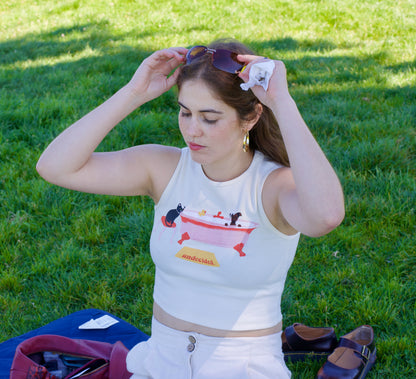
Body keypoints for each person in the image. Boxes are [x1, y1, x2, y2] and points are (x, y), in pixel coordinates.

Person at [36, 39, 345, 378]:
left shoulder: (272, 186)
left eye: (210, 118)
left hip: (242, 367)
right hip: (159, 363)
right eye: (185, 112)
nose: (192, 130)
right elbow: (55, 167)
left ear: (251, 117)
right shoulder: (164, 168)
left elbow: (326, 216)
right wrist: (133, 93)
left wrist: (281, 102)